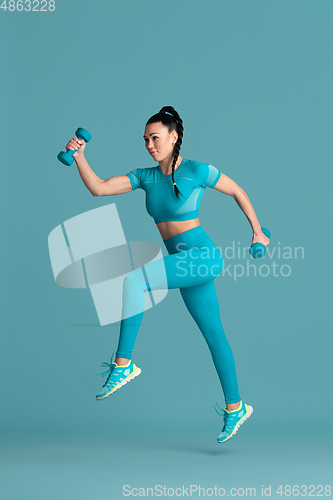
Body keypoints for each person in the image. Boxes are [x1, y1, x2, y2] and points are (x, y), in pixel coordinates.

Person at [65, 106, 269, 443]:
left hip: (203, 256)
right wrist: (79, 157)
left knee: (135, 280)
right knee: (215, 336)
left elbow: (236, 191)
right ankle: (236, 407)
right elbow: (99, 189)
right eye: (145, 139)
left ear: (174, 137)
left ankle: (123, 364)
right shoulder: (145, 177)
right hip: (183, 260)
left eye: (155, 138)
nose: (149, 144)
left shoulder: (197, 169)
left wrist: (257, 231)